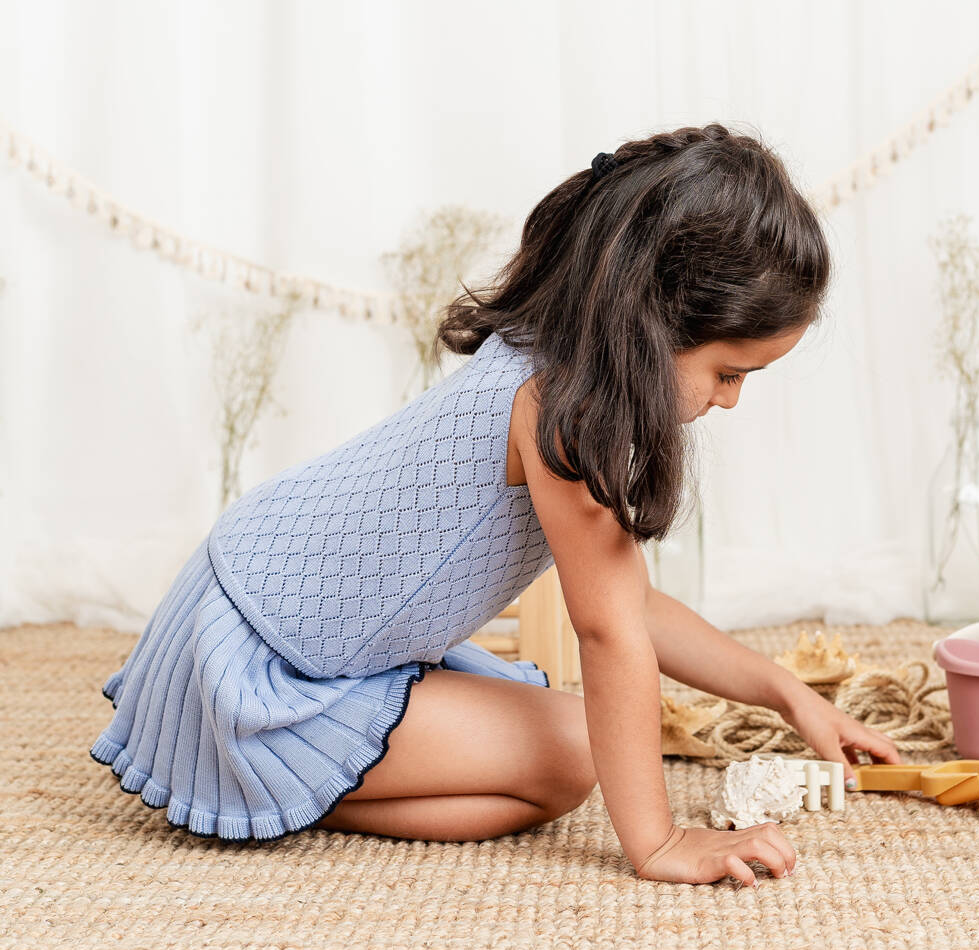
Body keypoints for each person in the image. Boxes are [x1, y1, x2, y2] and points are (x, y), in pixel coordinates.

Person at [90, 123, 900, 888]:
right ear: (654, 323)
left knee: (553, 782)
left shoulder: (553, 362)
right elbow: (609, 633)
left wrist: (791, 696)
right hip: (255, 663)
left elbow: (632, 605)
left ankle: (293, 778)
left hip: (248, 604)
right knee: (577, 751)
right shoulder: (565, 410)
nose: (729, 401)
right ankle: (257, 775)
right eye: (730, 372)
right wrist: (656, 840)